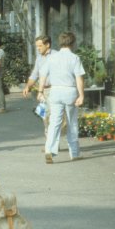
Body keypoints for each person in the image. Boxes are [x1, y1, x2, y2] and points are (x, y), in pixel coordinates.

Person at [40, 31, 86, 164]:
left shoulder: (51, 58)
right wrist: (81, 95)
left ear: (60, 42)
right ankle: (75, 153)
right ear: (73, 43)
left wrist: (40, 90)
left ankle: (50, 150)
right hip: (70, 91)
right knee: (72, 122)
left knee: (54, 122)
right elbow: (79, 79)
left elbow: (43, 75)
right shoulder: (75, 58)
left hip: (55, 91)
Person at [22, 34, 57, 135]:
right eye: (37, 46)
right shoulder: (39, 58)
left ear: (48, 45)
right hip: (43, 91)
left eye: (40, 46)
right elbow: (34, 74)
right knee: (44, 115)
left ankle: (52, 144)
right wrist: (28, 87)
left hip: (54, 90)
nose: (38, 48)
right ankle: (49, 143)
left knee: (53, 116)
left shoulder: (56, 55)